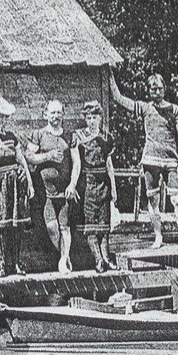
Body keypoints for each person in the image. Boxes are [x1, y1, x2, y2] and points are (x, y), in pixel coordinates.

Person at [107, 68, 178, 249]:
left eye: (160, 88)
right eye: (153, 89)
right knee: (153, 201)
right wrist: (108, 72)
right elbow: (118, 97)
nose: (157, 92)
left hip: (171, 161)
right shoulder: (145, 108)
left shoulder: (174, 109)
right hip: (150, 160)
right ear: (149, 90)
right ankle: (158, 237)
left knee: (177, 200)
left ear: (165, 89)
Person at [0, 96, 35, 277]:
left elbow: (22, 160)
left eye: (4, 117)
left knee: (16, 224)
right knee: (0, 225)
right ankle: (1, 264)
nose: (1, 120)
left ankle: (17, 263)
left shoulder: (11, 137)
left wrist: (29, 183)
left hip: (15, 184)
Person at [67, 100, 118, 272]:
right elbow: (77, 164)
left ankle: (107, 258)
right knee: (90, 227)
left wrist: (114, 187)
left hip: (104, 182)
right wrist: (73, 185)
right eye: (88, 118)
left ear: (100, 118)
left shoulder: (107, 137)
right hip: (87, 183)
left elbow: (109, 164)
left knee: (104, 226)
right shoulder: (78, 136)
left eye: (94, 117)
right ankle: (98, 260)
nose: (91, 121)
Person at [26, 99, 74, 274]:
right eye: (52, 112)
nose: (56, 116)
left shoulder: (69, 136)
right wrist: (48, 156)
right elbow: (29, 156)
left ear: (63, 114)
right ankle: (65, 255)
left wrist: (73, 184)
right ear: (45, 114)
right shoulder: (39, 134)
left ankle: (62, 261)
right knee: (52, 227)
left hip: (65, 189)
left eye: (59, 112)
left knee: (65, 227)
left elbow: (76, 163)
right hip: (46, 191)